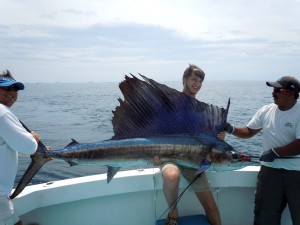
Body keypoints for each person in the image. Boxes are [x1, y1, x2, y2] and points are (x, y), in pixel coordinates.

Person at [224, 76, 300, 225]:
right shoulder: (266, 110)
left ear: (291, 93)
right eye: (273, 89)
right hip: (270, 172)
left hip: (296, 173)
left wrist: (276, 152)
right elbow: (249, 131)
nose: (273, 93)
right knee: (264, 217)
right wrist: (231, 129)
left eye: (278, 90)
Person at [153, 64, 222, 225]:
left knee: (211, 206)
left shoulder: (202, 111)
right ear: (184, 79)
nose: (197, 84)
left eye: (200, 81)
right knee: (171, 175)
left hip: (194, 162)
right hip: (169, 157)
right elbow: (156, 132)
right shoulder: (169, 105)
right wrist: (156, 156)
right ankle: (173, 212)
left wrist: (219, 137)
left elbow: (209, 140)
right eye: (193, 79)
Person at [0, 70, 40, 225]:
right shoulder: (2, 112)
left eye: (15, 89)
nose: (12, 93)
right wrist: (33, 138)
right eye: (6, 88)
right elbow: (29, 147)